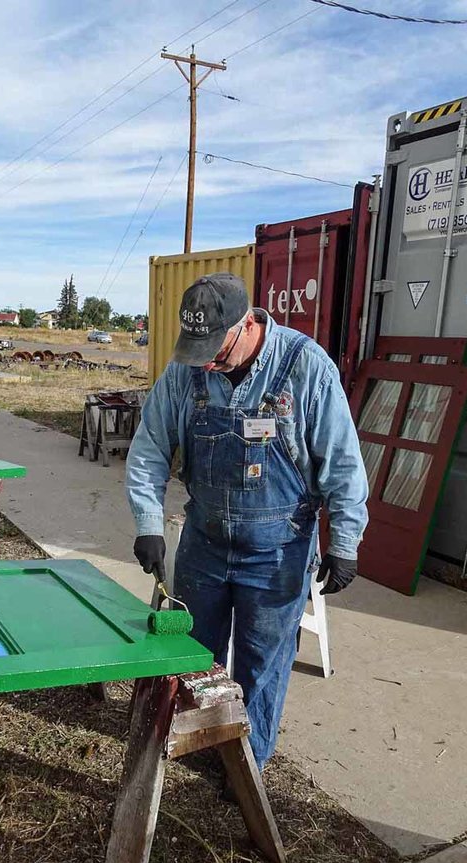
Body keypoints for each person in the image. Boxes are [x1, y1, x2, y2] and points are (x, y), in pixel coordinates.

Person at [125, 272, 368, 772]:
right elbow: (149, 448)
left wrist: (345, 542)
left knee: (262, 666)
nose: (208, 360)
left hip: (278, 552)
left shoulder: (305, 367)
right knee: (194, 655)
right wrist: (148, 523)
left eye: (216, 347)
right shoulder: (186, 372)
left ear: (247, 324)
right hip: (205, 543)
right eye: (198, 348)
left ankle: (245, 767)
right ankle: (194, 746)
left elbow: (343, 462)